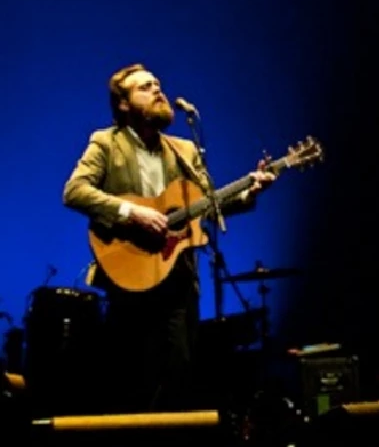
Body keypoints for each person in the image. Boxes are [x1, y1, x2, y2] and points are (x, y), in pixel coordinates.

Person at [62, 63, 276, 412]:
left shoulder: (185, 150)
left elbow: (208, 206)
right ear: (124, 105)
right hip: (128, 278)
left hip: (177, 280)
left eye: (158, 84)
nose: (158, 90)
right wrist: (133, 213)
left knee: (178, 375)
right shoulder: (106, 143)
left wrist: (249, 192)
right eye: (145, 87)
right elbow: (74, 191)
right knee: (133, 380)